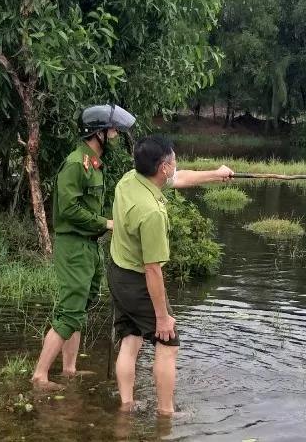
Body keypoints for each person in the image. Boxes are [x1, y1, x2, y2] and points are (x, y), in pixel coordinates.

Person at [107, 135, 233, 415]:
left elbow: (182, 178)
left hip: (117, 273)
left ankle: (126, 405)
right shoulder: (151, 212)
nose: (177, 165)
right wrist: (163, 317)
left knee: (130, 337)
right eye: (174, 161)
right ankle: (166, 413)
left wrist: (217, 174)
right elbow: (152, 269)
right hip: (138, 280)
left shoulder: (130, 179)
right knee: (168, 343)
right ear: (163, 167)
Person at [30, 103, 136, 390]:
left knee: (81, 305)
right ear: (98, 132)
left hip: (88, 246)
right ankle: (40, 376)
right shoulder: (76, 163)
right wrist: (106, 223)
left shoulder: (94, 165)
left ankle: (69, 369)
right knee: (70, 310)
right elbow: (68, 210)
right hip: (73, 245)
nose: (115, 136)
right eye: (112, 130)